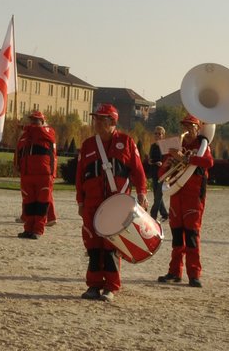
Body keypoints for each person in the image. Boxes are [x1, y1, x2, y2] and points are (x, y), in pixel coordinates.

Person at [75, 104, 148, 300]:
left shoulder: (126, 142)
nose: (96, 122)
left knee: (111, 247)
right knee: (93, 245)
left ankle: (111, 287)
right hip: (92, 204)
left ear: (112, 121)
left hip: (116, 204)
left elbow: (138, 171)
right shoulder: (88, 145)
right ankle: (93, 285)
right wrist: (80, 202)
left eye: (101, 119)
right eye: (95, 118)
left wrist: (142, 192)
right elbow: (80, 176)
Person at [158, 113, 213, 287]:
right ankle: (174, 272)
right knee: (176, 237)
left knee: (191, 236)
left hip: (194, 196)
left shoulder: (203, 145)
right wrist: (169, 162)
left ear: (198, 128)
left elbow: (208, 162)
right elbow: (162, 174)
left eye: (191, 126)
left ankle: (194, 274)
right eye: (185, 126)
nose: (187, 130)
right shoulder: (175, 145)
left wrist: (186, 158)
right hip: (176, 194)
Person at [14, 110, 57, 239]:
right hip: (27, 174)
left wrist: (25, 127)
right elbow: (19, 150)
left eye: (36, 120)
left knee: (41, 204)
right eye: (31, 120)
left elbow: (40, 131)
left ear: (42, 122)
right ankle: (28, 229)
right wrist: (16, 164)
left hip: (43, 174)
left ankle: (38, 230)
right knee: (29, 203)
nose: (33, 123)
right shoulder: (25, 135)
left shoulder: (48, 131)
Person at [146, 127, 171, 222]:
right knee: (156, 195)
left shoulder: (165, 146)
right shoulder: (153, 146)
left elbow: (167, 160)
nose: (157, 135)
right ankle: (164, 214)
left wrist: (162, 163)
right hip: (154, 171)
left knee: (158, 195)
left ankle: (153, 215)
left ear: (163, 135)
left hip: (162, 173)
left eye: (159, 134)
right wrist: (150, 161)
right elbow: (151, 159)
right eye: (156, 133)